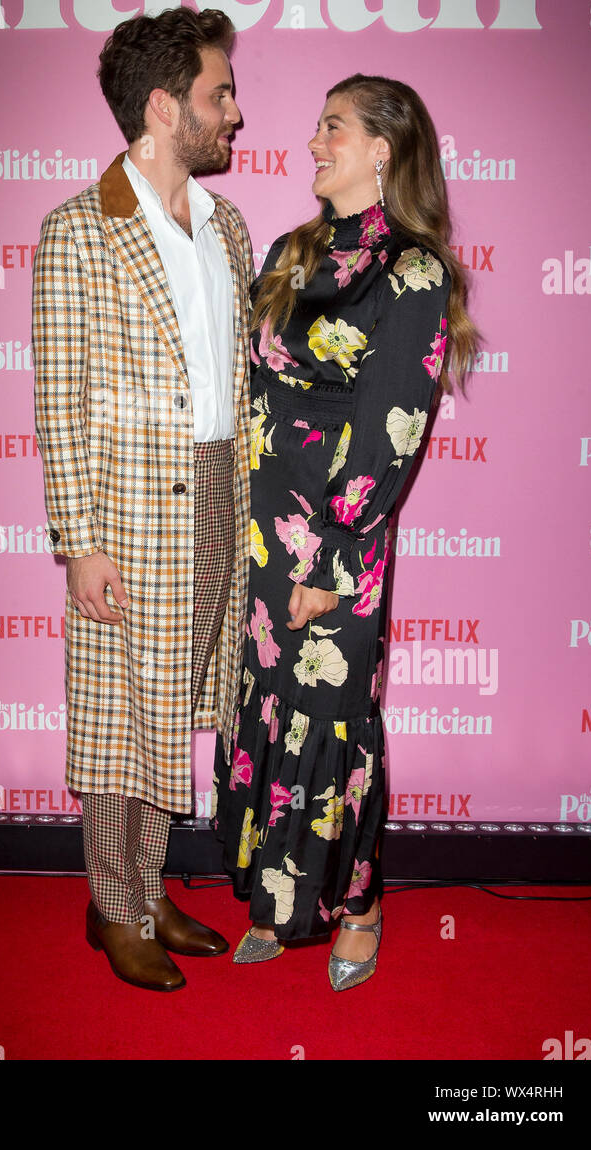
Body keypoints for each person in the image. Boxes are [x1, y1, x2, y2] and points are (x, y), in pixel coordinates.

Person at [214, 73, 478, 989]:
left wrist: (329, 559)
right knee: (268, 706)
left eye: (333, 127)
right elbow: (249, 385)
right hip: (261, 533)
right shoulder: (292, 250)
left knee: (328, 720)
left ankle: (357, 907)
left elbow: (388, 431)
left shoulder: (413, 271)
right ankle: (277, 898)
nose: (313, 142)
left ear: (382, 149)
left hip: (335, 543)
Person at [31, 7, 255, 992]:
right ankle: (113, 905)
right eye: (219, 94)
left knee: (173, 711)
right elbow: (58, 399)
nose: (235, 113)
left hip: (218, 492)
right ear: (164, 108)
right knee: (118, 718)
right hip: (124, 516)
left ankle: (146, 887)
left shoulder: (226, 226)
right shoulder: (78, 230)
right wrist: (78, 541)